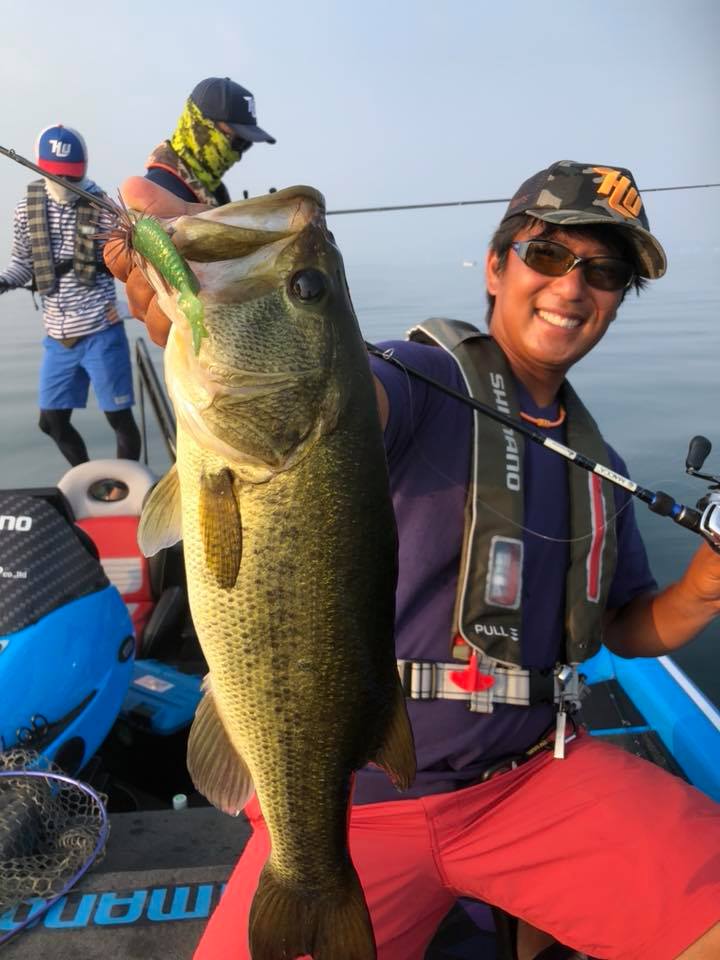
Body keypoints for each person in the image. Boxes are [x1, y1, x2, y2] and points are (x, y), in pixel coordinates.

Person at [105, 161, 720, 960]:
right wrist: (227, 308)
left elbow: (628, 628)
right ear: (495, 267)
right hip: (350, 798)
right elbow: (334, 391)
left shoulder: (599, 464)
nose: (572, 287)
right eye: (547, 255)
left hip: (533, 777)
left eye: (603, 273)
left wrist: (705, 585)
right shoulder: (420, 379)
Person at [0, 124, 140, 467]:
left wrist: (129, 307)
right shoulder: (26, 208)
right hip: (57, 336)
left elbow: (135, 262)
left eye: (72, 176)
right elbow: (22, 264)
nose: (65, 182)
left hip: (101, 329)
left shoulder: (103, 206)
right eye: (57, 175)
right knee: (51, 421)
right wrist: (3, 281)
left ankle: (125, 487)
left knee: (119, 419)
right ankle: (90, 481)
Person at [145, 76, 276, 207]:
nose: (238, 155)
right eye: (238, 142)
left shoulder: (217, 191)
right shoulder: (157, 193)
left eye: (246, 145)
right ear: (199, 126)